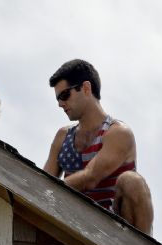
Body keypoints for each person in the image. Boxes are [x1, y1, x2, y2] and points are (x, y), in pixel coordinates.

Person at [44, 59, 154, 235]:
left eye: (64, 95)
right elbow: (44, 184)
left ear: (86, 88)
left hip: (115, 231)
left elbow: (90, 177)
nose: (60, 104)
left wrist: (48, 190)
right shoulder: (62, 137)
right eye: (58, 99)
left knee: (132, 181)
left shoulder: (118, 133)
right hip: (75, 226)